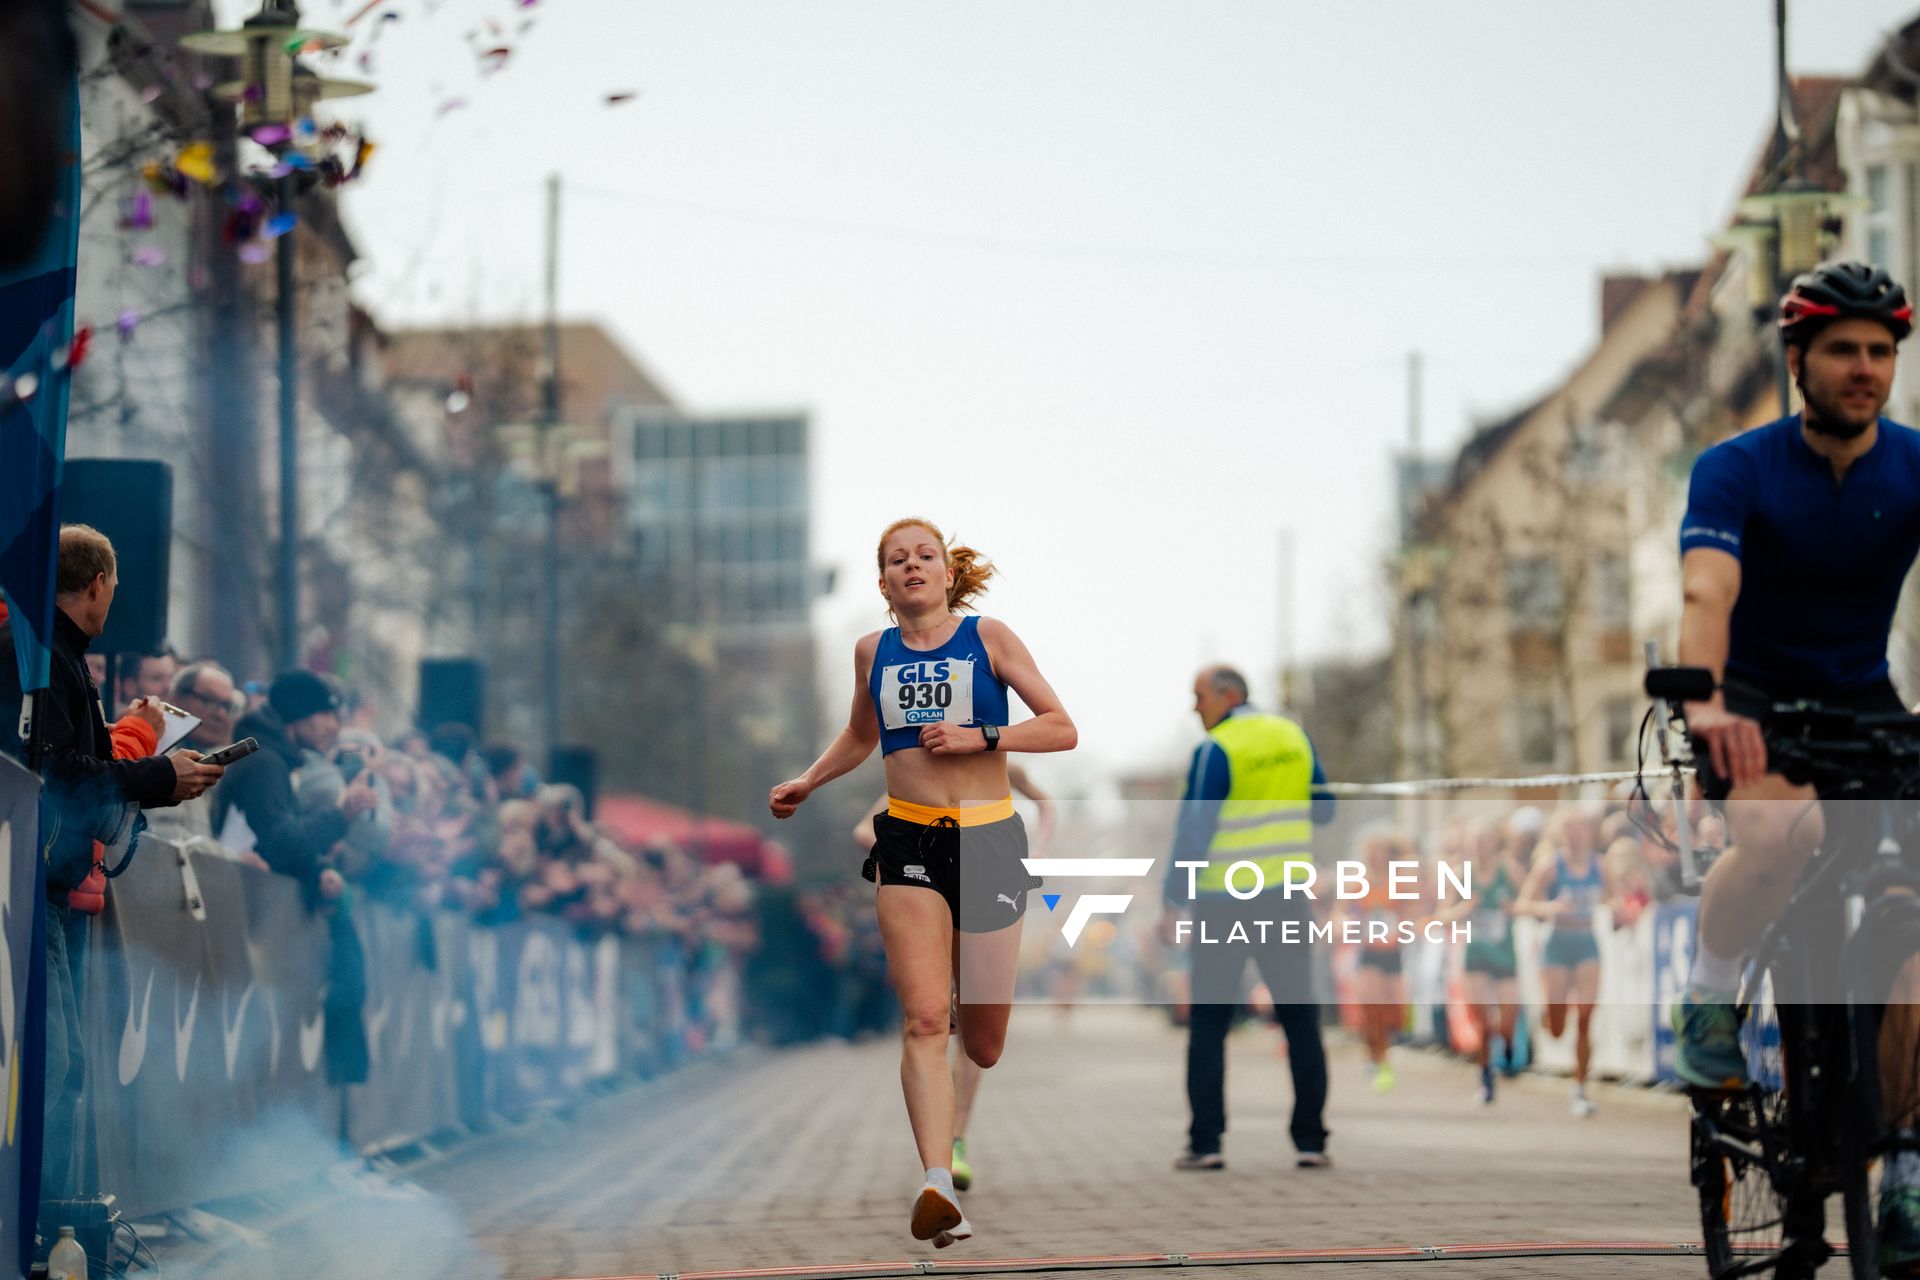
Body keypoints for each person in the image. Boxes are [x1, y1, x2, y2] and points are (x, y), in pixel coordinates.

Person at [1668, 260, 1920, 1260]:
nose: (1865, 369)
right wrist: (1709, 703)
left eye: (1882, 351)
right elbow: (1705, 597)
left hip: (1865, 699)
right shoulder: (1738, 467)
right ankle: (1713, 986)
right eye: (1844, 351)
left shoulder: (1911, 464)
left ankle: (1902, 1164)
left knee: (1908, 914)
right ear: (1797, 359)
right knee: (1778, 833)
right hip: (1755, 700)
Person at [771, 518, 1076, 1249]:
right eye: (897, 560)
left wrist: (985, 736)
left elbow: (1061, 726)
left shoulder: (989, 638)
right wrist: (809, 781)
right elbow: (859, 735)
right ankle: (937, 1183)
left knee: (985, 1040)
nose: (912, 566)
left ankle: (954, 1132)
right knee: (924, 1021)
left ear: (946, 574)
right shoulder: (872, 652)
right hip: (907, 837)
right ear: (883, 585)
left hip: (991, 838)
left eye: (925, 556)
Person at [0, 525, 224, 1206]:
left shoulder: (57, 654)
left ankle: (52, 1223)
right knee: (53, 1062)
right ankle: (37, 1229)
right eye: (113, 588)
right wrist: (159, 775)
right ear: (96, 584)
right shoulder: (34, 654)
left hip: (52, 881)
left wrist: (156, 775)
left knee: (62, 1066)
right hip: (28, 882)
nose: (113, 600)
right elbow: (59, 772)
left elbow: (80, 768)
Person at [1159, 665, 1336, 1171]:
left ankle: (1207, 1143)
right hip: (1285, 896)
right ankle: (1311, 1140)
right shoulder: (1293, 735)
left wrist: (1174, 898)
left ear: (1228, 694)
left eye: (1199, 697)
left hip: (1223, 902)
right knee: (1300, 1018)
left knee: (1211, 1022)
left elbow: (1195, 829)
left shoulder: (1217, 748)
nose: (1195, 708)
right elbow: (1324, 809)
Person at [852, 762, 1057, 1194]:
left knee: (975, 1033)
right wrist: (910, 849)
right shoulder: (915, 765)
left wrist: (1039, 848)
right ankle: (945, 1149)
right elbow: (863, 830)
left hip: (985, 877)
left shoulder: (1002, 758)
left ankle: (958, 1135)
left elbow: (1045, 802)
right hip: (924, 890)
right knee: (929, 1019)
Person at [1516, 803, 1616, 1118]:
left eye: (1580, 827)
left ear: (1589, 832)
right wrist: (1549, 909)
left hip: (1586, 942)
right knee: (1559, 1027)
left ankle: (1580, 1088)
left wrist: (1618, 907)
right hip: (1557, 944)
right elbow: (1524, 904)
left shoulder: (1600, 866)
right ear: (1561, 833)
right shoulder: (1550, 866)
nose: (1574, 834)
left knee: (1585, 1017)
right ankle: (1547, 1017)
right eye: (1568, 828)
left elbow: (1614, 897)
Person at [1345, 824, 1411, 1094]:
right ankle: (1375, 1056)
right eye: (1370, 851)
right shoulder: (1357, 882)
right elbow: (1343, 911)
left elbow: (1411, 910)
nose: (1374, 856)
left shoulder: (1399, 882)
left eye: (1379, 851)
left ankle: (1381, 1050)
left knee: (1391, 1012)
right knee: (1372, 1007)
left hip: (1392, 953)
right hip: (1368, 953)